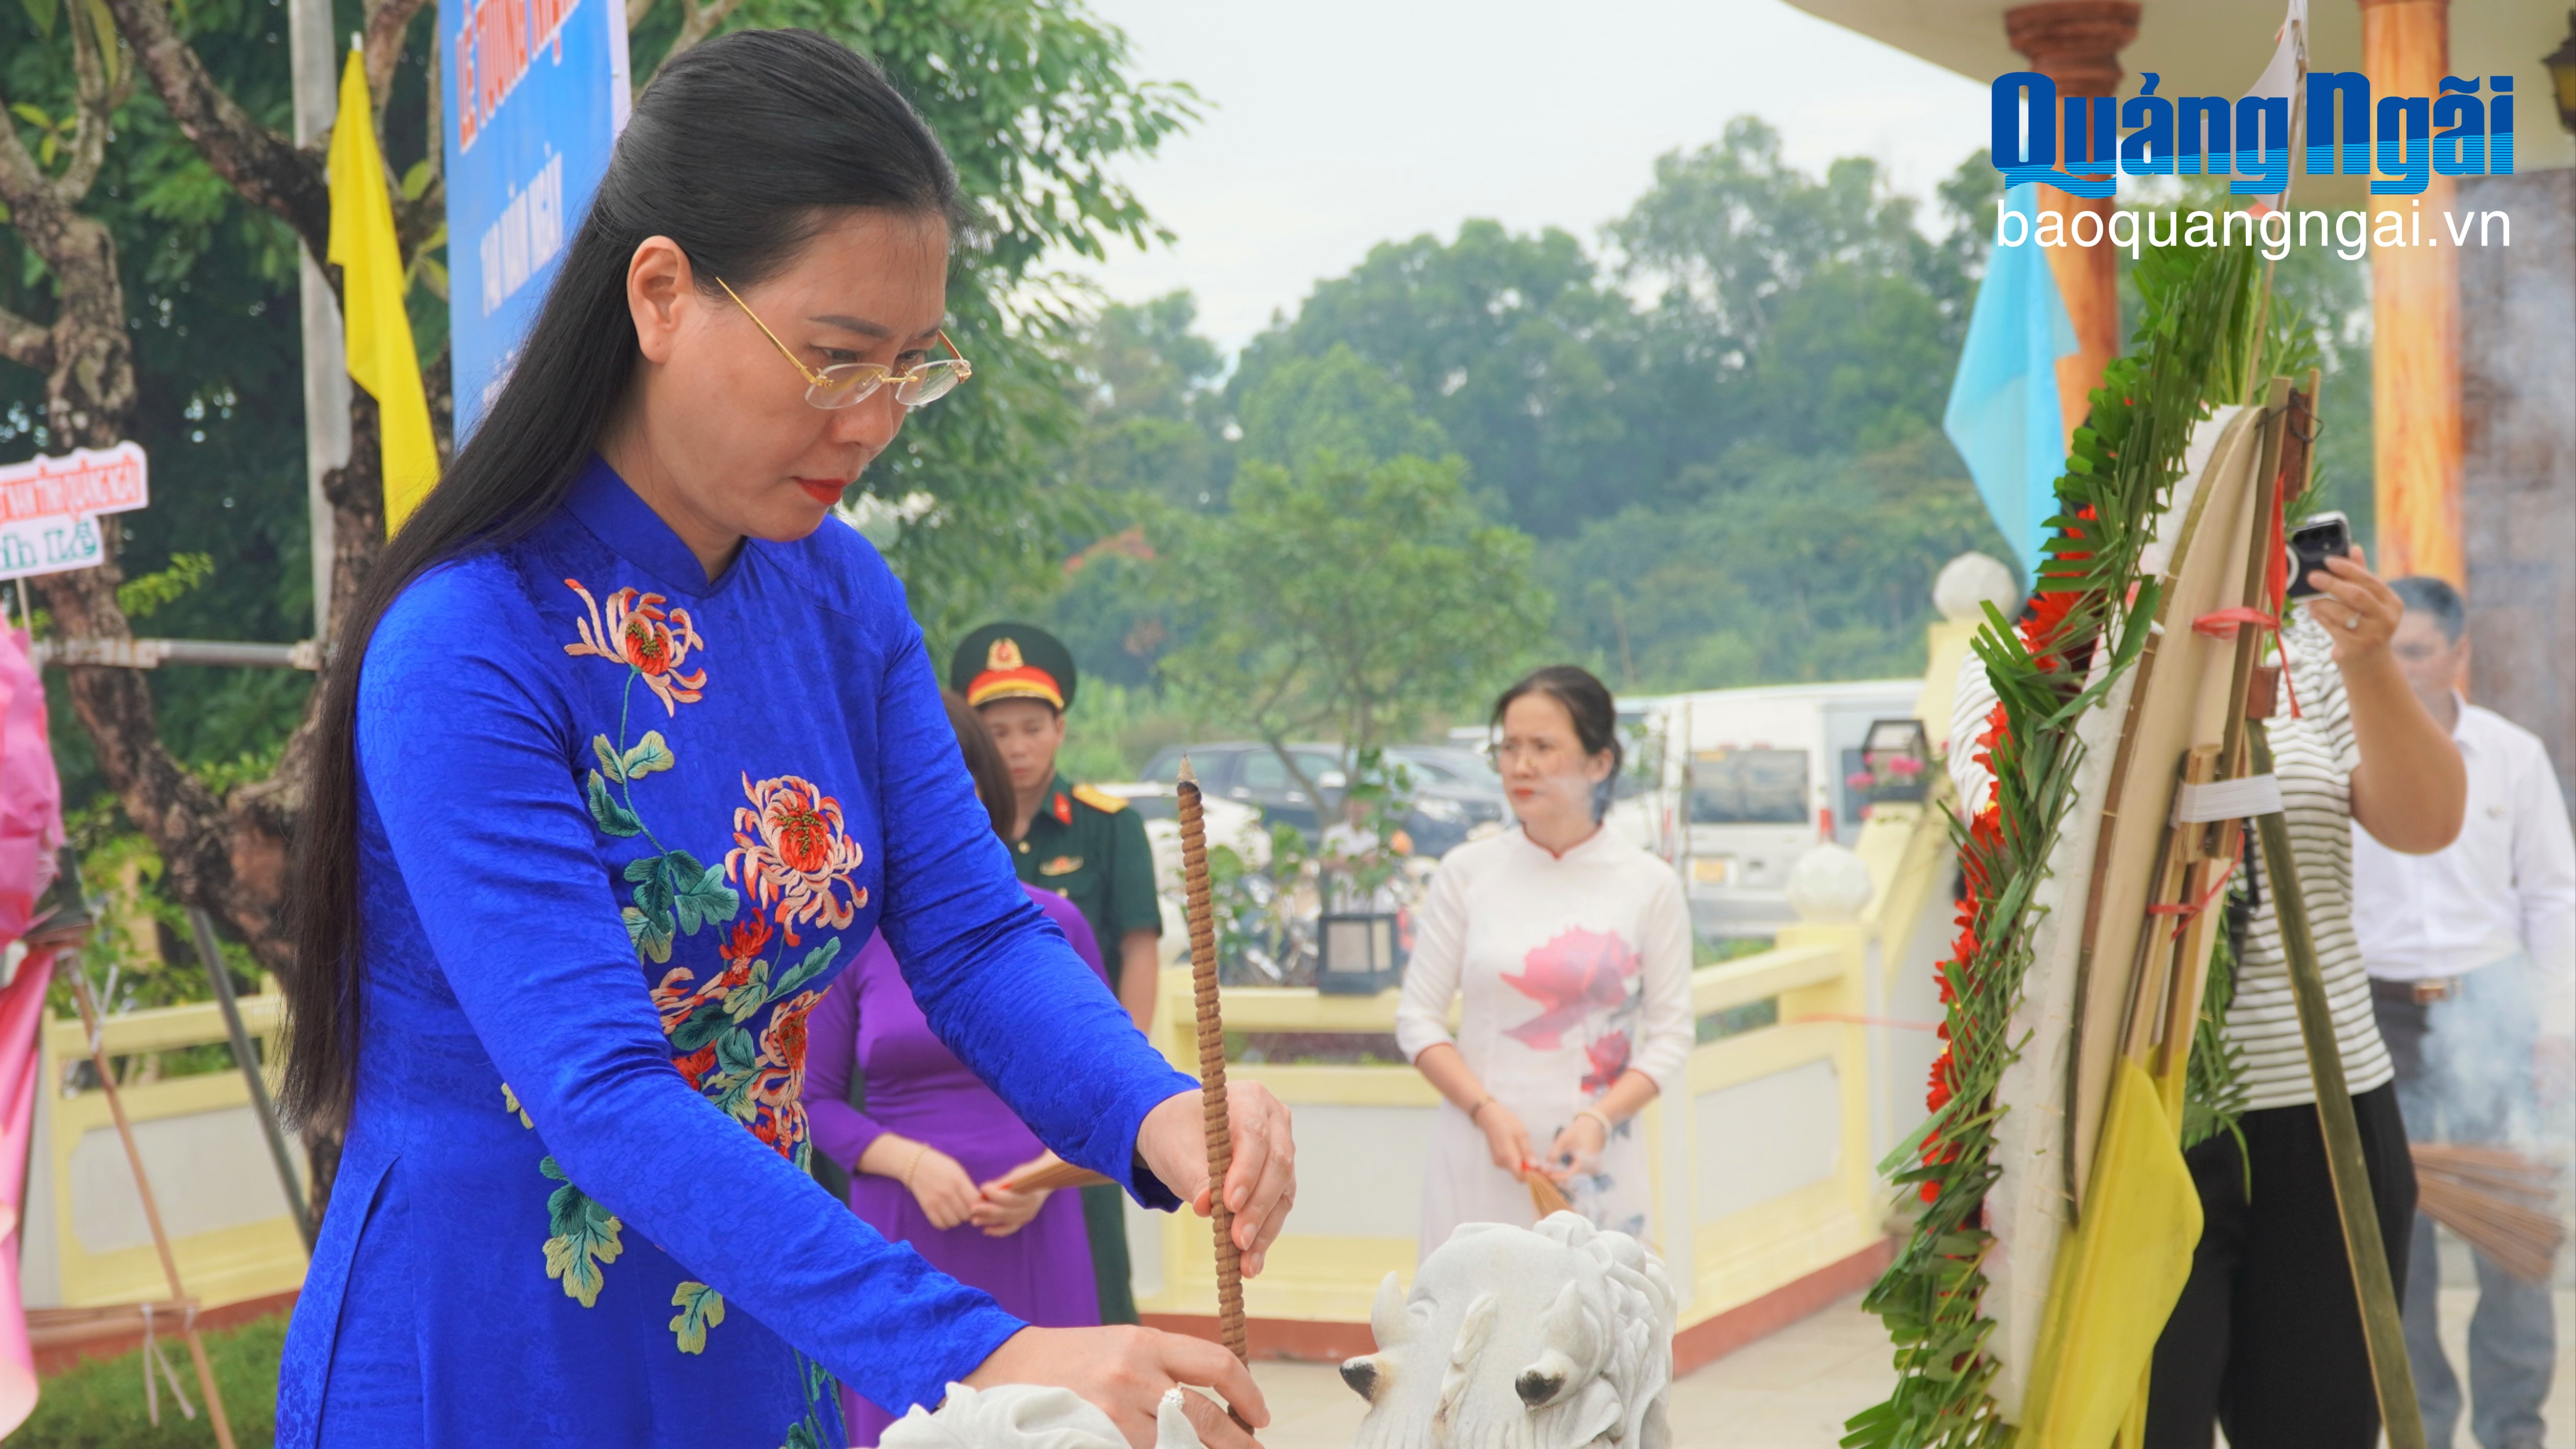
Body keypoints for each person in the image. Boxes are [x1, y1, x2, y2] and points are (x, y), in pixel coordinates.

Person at [271, 32, 1293, 1449]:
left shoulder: (835, 591)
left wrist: (1156, 1108)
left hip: (753, 1320)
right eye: (832, 362)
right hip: (487, 1349)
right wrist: (984, 1344)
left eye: (909, 369)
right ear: (661, 294)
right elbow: (603, 1087)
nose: (872, 421)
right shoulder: (469, 642)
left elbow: (971, 931)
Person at [2137, 548, 2468, 1449]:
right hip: (2139, 1121)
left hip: (2325, 1116)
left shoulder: (2308, 649)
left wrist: (2365, 659)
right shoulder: (2051, 647)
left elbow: (2427, 821)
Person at [806, 693, 1110, 1445]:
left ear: (980, 792)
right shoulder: (849, 940)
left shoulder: (1052, 924)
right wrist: (908, 1163)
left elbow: (1112, 1096)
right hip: (905, 1231)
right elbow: (811, 1101)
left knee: (1052, 1423)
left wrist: (1043, 1176)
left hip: (1036, 1222)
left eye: (954, 781)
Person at [2353, 576, 2573, 1449]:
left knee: (2515, 1242)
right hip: (2377, 1017)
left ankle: (2513, 1431)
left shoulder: (2510, 754)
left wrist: (2554, 1026)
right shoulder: (2342, 751)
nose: (2400, 669)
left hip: (2495, 1009)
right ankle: (2421, 1431)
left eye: (2414, 651)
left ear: (2457, 656)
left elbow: (2554, 897)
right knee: (2393, 1254)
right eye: (2386, 650)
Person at [1395, 666, 1691, 1252]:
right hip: (1480, 1155)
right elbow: (1417, 1020)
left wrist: (1598, 1120)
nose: (1520, 765)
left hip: (1594, 1162)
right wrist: (1484, 1111)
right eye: (1509, 747)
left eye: (1542, 747)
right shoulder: (1466, 873)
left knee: (1595, 1329)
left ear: (1599, 762)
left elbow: (1671, 1034)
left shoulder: (1647, 884)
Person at [948, 622, 1161, 1325]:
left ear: (1060, 727)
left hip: (1081, 1084)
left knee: (1095, 1289)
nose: (1015, 747)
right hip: (975, 1088)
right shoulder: (956, 826)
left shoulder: (1107, 825)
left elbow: (1137, 951)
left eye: (1031, 727)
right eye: (997, 730)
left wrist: (1120, 1072)